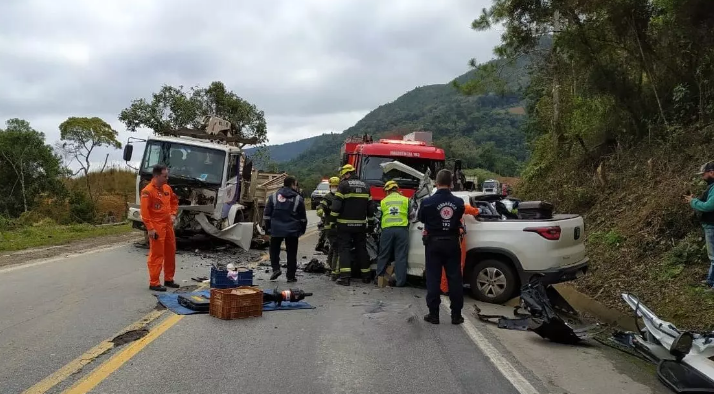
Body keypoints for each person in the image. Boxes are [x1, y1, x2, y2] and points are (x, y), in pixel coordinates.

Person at [418, 169, 466, 325]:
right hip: (452, 243)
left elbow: (421, 218)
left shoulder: (427, 202)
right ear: (451, 183)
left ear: (436, 183)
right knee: (455, 278)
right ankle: (456, 315)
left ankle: (434, 314)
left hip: (433, 243)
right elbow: (458, 218)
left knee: (433, 278)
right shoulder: (458, 203)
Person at [330, 164, 374, 286]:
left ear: (348, 174)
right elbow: (370, 207)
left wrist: (332, 221)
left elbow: (336, 206)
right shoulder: (366, 186)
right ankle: (366, 276)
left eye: (344, 175)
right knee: (361, 249)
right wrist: (370, 223)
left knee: (344, 249)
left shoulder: (343, 185)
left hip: (344, 225)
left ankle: (345, 277)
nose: (343, 178)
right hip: (360, 226)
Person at [140, 164, 179, 292]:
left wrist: (173, 214)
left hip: (168, 225)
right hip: (156, 226)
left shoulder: (167, 188)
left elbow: (174, 201)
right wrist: (150, 229)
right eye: (164, 176)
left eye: (167, 175)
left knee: (170, 252)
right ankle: (154, 282)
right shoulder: (147, 191)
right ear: (156, 176)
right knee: (157, 254)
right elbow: (145, 213)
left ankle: (169, 278)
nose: (167, 178)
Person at [264, 176, 308, 283]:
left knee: (274, 250)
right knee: (292, 253)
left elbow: (267, 215)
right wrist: (302, 230)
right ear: (293, 184)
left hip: (276, 229)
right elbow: (302, 218)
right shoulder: (298, 198)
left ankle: (276, 269)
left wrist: (268, 229)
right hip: (292, 230)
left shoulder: (273, 196)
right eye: (296, 184)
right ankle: (290, 276)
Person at [685, 161, 714, 291]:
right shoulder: (712, 187)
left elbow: (709, 206)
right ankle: (710, 280)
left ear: (711, 173)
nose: (702, 177)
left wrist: (693, 202)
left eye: (704, 174)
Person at [376, 180, 410, 287]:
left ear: (387, 190)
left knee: (384, 254)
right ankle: (400, 282)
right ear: (397, 189)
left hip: (387, 231)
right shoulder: (406, 200)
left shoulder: (383, 201)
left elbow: (378, 216)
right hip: (402, 230)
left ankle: (379, 278)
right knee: (401, 256)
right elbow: (413, 215)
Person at [316, 177, 341, 278]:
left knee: (333, 248)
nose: (334, 188)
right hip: (330, 227)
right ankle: (334, 271)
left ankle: (330, 266)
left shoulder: (341, 197)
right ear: (330, 187)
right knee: (336, 249)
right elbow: (321, 205)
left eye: (336, 186)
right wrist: (320, 210)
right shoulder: (328, 197)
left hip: (339, 226)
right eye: (333, 186)